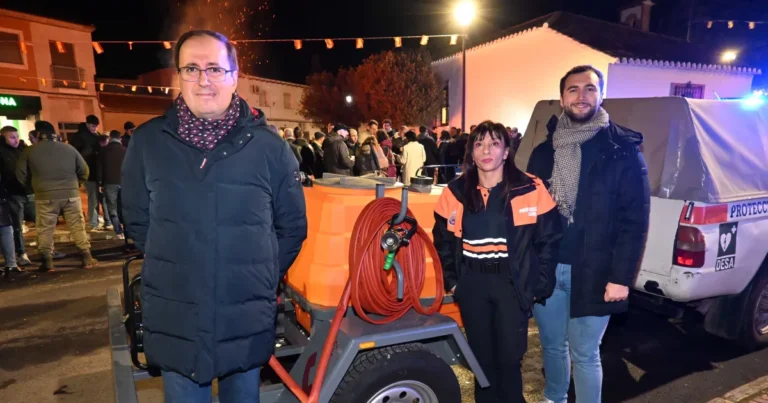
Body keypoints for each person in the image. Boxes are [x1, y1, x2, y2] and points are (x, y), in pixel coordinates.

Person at [121, 29, 307, 403]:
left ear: (234, 77)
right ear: (179, 76)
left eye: (215, 69)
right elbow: (137, 221)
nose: (203, 79)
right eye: (191, 68)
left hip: (245, 316)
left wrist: (259, 276)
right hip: (177, 317)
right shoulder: (147, 142)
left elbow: (291, 227)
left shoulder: (270, 148)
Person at [526, 65, 651, 403]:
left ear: (601, 95)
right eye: (573, 89)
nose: (581, 96)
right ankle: (554, 398)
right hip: (548, 269)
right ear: (562, 98)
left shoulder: (622, 150)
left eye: (590, 88)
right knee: (552, 346)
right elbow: (527, 216)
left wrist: (621, 278)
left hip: (596, 272)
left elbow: (634, 221)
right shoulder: (544, 153)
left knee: (585, 353)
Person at [433, 121, 561, 403]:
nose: (486, 150)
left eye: (494, 143)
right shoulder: (454, 192)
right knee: (482, 362)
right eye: (479, 144)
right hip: (472, 285)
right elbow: (441, 242)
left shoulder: (530, 188)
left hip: (511, 284)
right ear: (471, 152)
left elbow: (550, 239)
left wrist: (538, 284)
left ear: (505, 152)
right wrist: (453, 283)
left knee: (510, 359)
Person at [16, 121, 96, 272]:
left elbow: (21, 174)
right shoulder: (69, 148)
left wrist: (34, 187)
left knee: (45, 229)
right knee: (77, 226)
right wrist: (75, 184)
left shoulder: (30, 151)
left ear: (38, 134)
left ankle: (47, 261)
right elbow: (84, 170)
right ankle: (86, 257)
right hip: (71, 194)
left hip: (44, 195)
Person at [0, 126, 33, 266]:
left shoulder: (23, 150)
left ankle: (48, 250)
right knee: (17, 226)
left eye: (17, 136)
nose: (16, 140)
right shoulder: (2, 152)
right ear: (3, 138)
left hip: (29, 191)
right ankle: (21, 253)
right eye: (12, 137)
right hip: (13, 193)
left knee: (41, 221)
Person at [69, 116, 106, 231]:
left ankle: (98, 219)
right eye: (93, 126)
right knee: (93, 198)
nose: (95, 129)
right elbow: (77, 155)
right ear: (87, 124)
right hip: (89, 172)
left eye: (97, 126)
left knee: (100, 198)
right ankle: (93, 222)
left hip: (98, 172)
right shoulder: (79, 137)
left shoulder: (96, 135)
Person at [99, 130, 126, 239]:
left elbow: (99, 168)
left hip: (109, 183)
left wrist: (100, 183)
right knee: (124, 207)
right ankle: (127, 231)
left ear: (110, 138)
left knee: (112, 208)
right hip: (124, 182)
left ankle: (118, 232)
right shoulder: (125, 150)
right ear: (120, 138)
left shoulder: (103, 151)